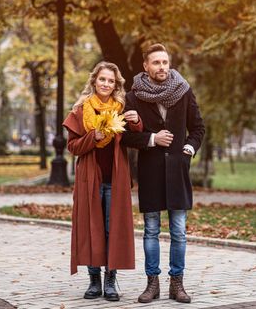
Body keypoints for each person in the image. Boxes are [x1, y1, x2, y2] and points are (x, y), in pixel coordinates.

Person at [121, 43, 205, 303]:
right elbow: (124, 137)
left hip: (177, 171)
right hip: (151, 171)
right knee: (151, 230)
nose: (162, 67)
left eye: (165, 62)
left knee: (179, 231)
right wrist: (152, 138)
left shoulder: (183, 91)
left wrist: (187, 150)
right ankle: (152, 284)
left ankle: (176, 285)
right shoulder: (134, 97)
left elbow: (198, 128)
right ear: (145, 66)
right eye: (156, 63)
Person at [63, 61, 142, 302]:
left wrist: (137, 119)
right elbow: (72, 147)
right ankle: (94, 281)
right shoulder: (81, 110)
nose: (106, 84)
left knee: (112, 228)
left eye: (111, 81)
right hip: (90, 179)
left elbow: (136, 134)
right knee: (91, 227)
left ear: (115, 84)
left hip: (115, 178)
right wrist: (92, 137)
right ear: (94, 81)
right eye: (102, 79)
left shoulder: (121, 108)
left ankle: (110, 280)